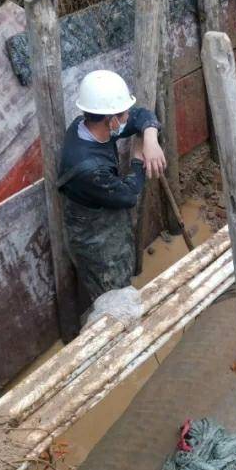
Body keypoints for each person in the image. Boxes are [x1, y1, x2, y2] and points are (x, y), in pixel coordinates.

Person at [57, 70, 166, 304]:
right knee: (112, 295)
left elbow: (140, 115)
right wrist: (138, 158)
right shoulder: (88, 168)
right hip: (93, 237)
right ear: (111, 119)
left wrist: (150, 136)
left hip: (104, 210)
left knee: (123, 271)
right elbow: (128, 196)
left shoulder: (87, 125)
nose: (128, 116)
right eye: (123, 114)